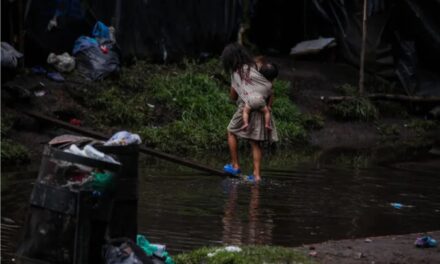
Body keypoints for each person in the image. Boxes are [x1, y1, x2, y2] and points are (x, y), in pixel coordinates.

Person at [221, 43, 278, 182]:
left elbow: (233, 97)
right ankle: (257, 175)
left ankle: (235, 165)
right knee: (255, 143)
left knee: (231, 131)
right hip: (261, 108)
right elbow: (270, 89)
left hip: (245, 107)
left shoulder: (236, 73)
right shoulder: (255, 67)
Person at [241, 62, 278, 131]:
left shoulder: (254, 81)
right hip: (260, 101)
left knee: (245, 112)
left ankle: (245, 123)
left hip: (250, 101)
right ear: (273, 78)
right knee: (266, 112)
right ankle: (267, 124)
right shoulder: (269, 86)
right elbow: (271, 96)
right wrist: (269, 106)